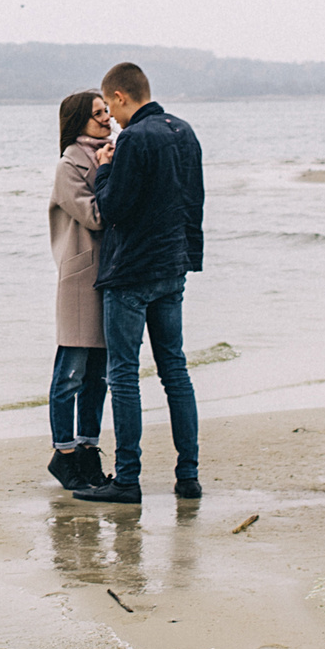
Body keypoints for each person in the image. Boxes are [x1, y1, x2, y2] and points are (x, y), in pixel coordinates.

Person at [73, 61, 206, 503]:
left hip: (131, 272)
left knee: (124, 375)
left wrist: (107, 167)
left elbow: (113, 209)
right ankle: (188, 476)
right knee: (175, 371)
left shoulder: (133, 139)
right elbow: (193, 201)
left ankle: (127, 480)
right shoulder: (184, 131)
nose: (111, 116)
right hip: (173, 267)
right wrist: (188, 257)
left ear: (119, 97)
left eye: (110, 106)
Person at [44, 90, 113, 488]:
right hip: (79, 277)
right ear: (77, 121)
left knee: (98, 375)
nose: (107, 119)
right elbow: (96, 215)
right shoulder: (69, 166)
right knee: (70, 370)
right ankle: (64, 453)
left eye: (107, 111)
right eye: (97, 114)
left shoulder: (109, 153)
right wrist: (106, 171)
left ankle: (88, 448)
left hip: (108, 275)